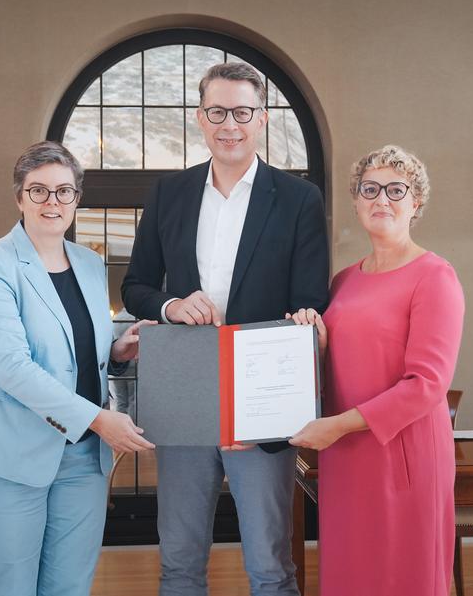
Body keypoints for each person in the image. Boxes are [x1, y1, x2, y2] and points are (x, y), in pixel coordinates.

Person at [121, 62, 329, 596]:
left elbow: (310, 299)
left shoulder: (299, 199)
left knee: (270, 565)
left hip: (263, 401)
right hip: (186, 391)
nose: (229, 124)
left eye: (241, 112)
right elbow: (137, 285)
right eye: (217, 112)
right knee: (180, 561)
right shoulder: (169, 193)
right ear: (200, 117)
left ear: (261, 118)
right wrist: (169, 306)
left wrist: (302, 323)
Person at [0, 141, 155, 596]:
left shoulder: (87, 262)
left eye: (64, 191)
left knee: (69, 587)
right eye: (39, 191)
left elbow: (78, 350)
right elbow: (13, 368)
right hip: (11, 457)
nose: (52, 202)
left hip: (83, 461)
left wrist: (117, 350)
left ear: (77, 198)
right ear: (19, 197)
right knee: (10, 589)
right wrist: (100, 419)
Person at [288, 145, 464, 596]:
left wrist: (339, 428)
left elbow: (427, 385)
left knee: (403, 575)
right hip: (345, 455)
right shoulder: (343, 281)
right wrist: (317, 345)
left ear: (416, 203)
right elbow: (342, 364)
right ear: (356, 200)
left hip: (402, 454)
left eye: (395, 189)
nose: (381, 199)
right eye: (370, 189)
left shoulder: (434, 276)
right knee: (350, 574)